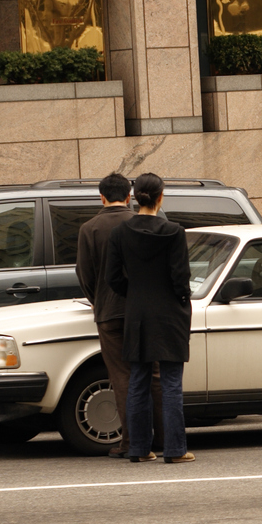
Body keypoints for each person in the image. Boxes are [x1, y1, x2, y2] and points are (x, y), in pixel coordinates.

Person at [106, 173, 195, 463]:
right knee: (170, 381)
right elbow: (181, 278)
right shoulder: (174, 231)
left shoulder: (120, 233)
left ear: (135, 196)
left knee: (138, 380)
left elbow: (113, 278)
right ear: (160, 197)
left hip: (137, 312)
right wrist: (182, 300)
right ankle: (175, 449)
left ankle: (140, 449)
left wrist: (134, 294)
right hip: (169, 312)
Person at [75, 172, 162, 459]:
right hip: (146, 309)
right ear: (129, 196)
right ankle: (164, 437)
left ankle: (132, 442)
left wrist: (97, 300)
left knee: (122, 376)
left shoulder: (90, 228)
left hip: (109, 312)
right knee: (155, 374)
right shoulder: (141, 223)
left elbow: (85, 274)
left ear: (101, 197)